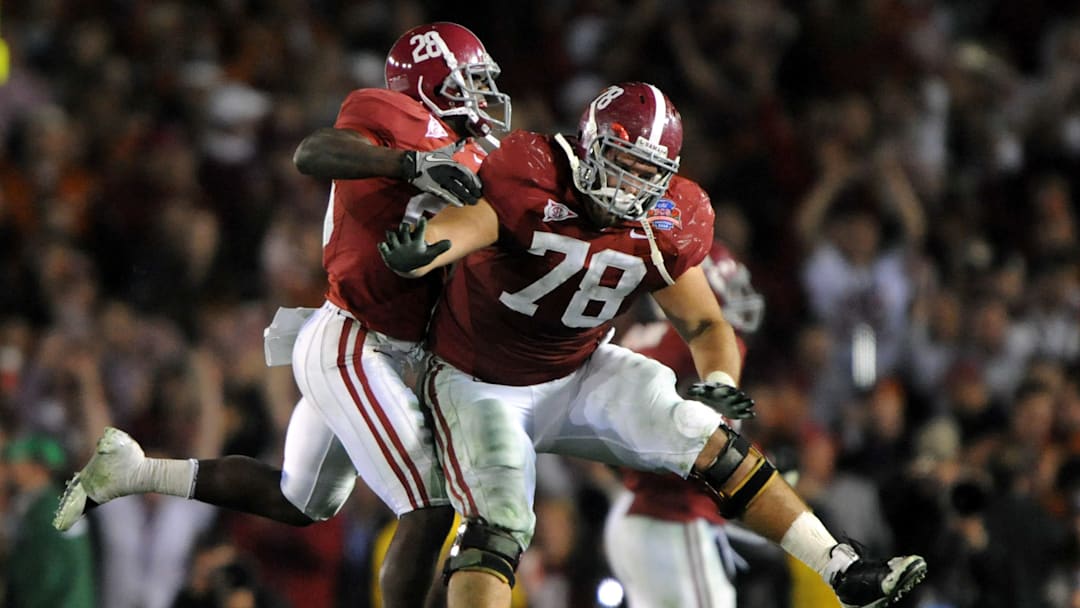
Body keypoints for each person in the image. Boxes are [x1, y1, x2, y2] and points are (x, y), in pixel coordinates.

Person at [378, 81, 927, 608]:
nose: (628, 185)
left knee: (701, 432)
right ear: (591, 144)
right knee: (498, 525)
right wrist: (429, 246)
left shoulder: (666, 219)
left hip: (576, 371)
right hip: (479, 381)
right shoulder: (532, 169)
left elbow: (707, 325)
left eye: (647, 173)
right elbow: (476, 220)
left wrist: (718, 382)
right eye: (621, 162)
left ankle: (840, 567)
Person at [52, 21, 511, 608]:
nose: (483, 96)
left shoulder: (479, 152)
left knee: (303, 502)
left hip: (396, 348)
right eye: (469, 82)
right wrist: (410, 167)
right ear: (428, 85)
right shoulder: (388, 113)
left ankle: (134, 472)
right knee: (428, 503)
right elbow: (312, 152)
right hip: (358, 338)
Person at [603, 242, 766, 608]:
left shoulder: (645, 342)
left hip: (636, 512)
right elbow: (710, 454)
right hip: (671, 517)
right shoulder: (691, 346)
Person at [5, 434, 96, 608]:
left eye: (17, 462)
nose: (10, 469)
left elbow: (48, 575)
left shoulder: (47, 513)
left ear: (38, 468)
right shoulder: (51, 505)